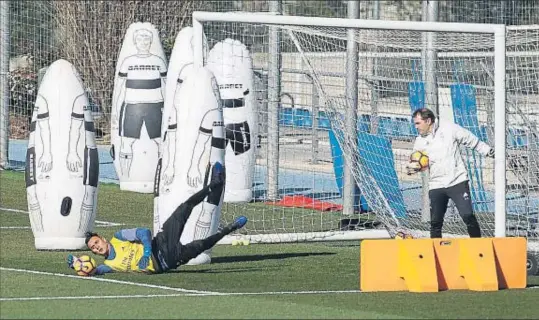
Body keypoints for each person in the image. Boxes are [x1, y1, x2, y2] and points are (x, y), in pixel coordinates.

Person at [67, 163, 247, 275]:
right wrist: (76, 264)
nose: (97, 247)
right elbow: (95, 271)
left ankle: (214, 184)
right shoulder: (110, 264)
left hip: (159, 243)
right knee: (201, 245)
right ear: (95, 253)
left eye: (96, 242)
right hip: (166, 262)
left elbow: (143, 232)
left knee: (183, 209)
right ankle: (230, 228)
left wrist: (146, 252)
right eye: (93, 248)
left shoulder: (119, 237)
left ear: (102, 239)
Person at [407, 108, 495, 239]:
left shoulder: (448, 128)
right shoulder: (419, 141)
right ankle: (435, 253)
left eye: (418, 123)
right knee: (435, 222)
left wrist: (488, 151)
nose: (416, 127)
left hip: (457, 180)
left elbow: (469, 138)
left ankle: (478, 246)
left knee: (468, 216)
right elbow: (418, 162)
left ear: (428, 121)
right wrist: (413, 168)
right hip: (436, 184)